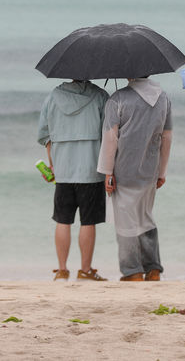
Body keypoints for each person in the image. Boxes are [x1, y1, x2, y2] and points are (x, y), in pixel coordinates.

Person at [97, 77, 172, 281]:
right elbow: (167, 137)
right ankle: (153, 268)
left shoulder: (117, 99)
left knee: (126, 222)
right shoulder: (163, 98)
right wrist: (162, 171)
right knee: (145, 218)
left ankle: (133, 271)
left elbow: (110, 139)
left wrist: (107, 172)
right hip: (150, 170)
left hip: (123, 170)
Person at [37, 80, 109, 281]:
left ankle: (62, 270)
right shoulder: (101, 96)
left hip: (63, 170)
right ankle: (85, 270)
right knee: (88, 222)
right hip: (92, 169)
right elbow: (109, 133)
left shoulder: (53, 96)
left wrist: (53, 165)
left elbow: (45, 135)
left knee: (63, 220)